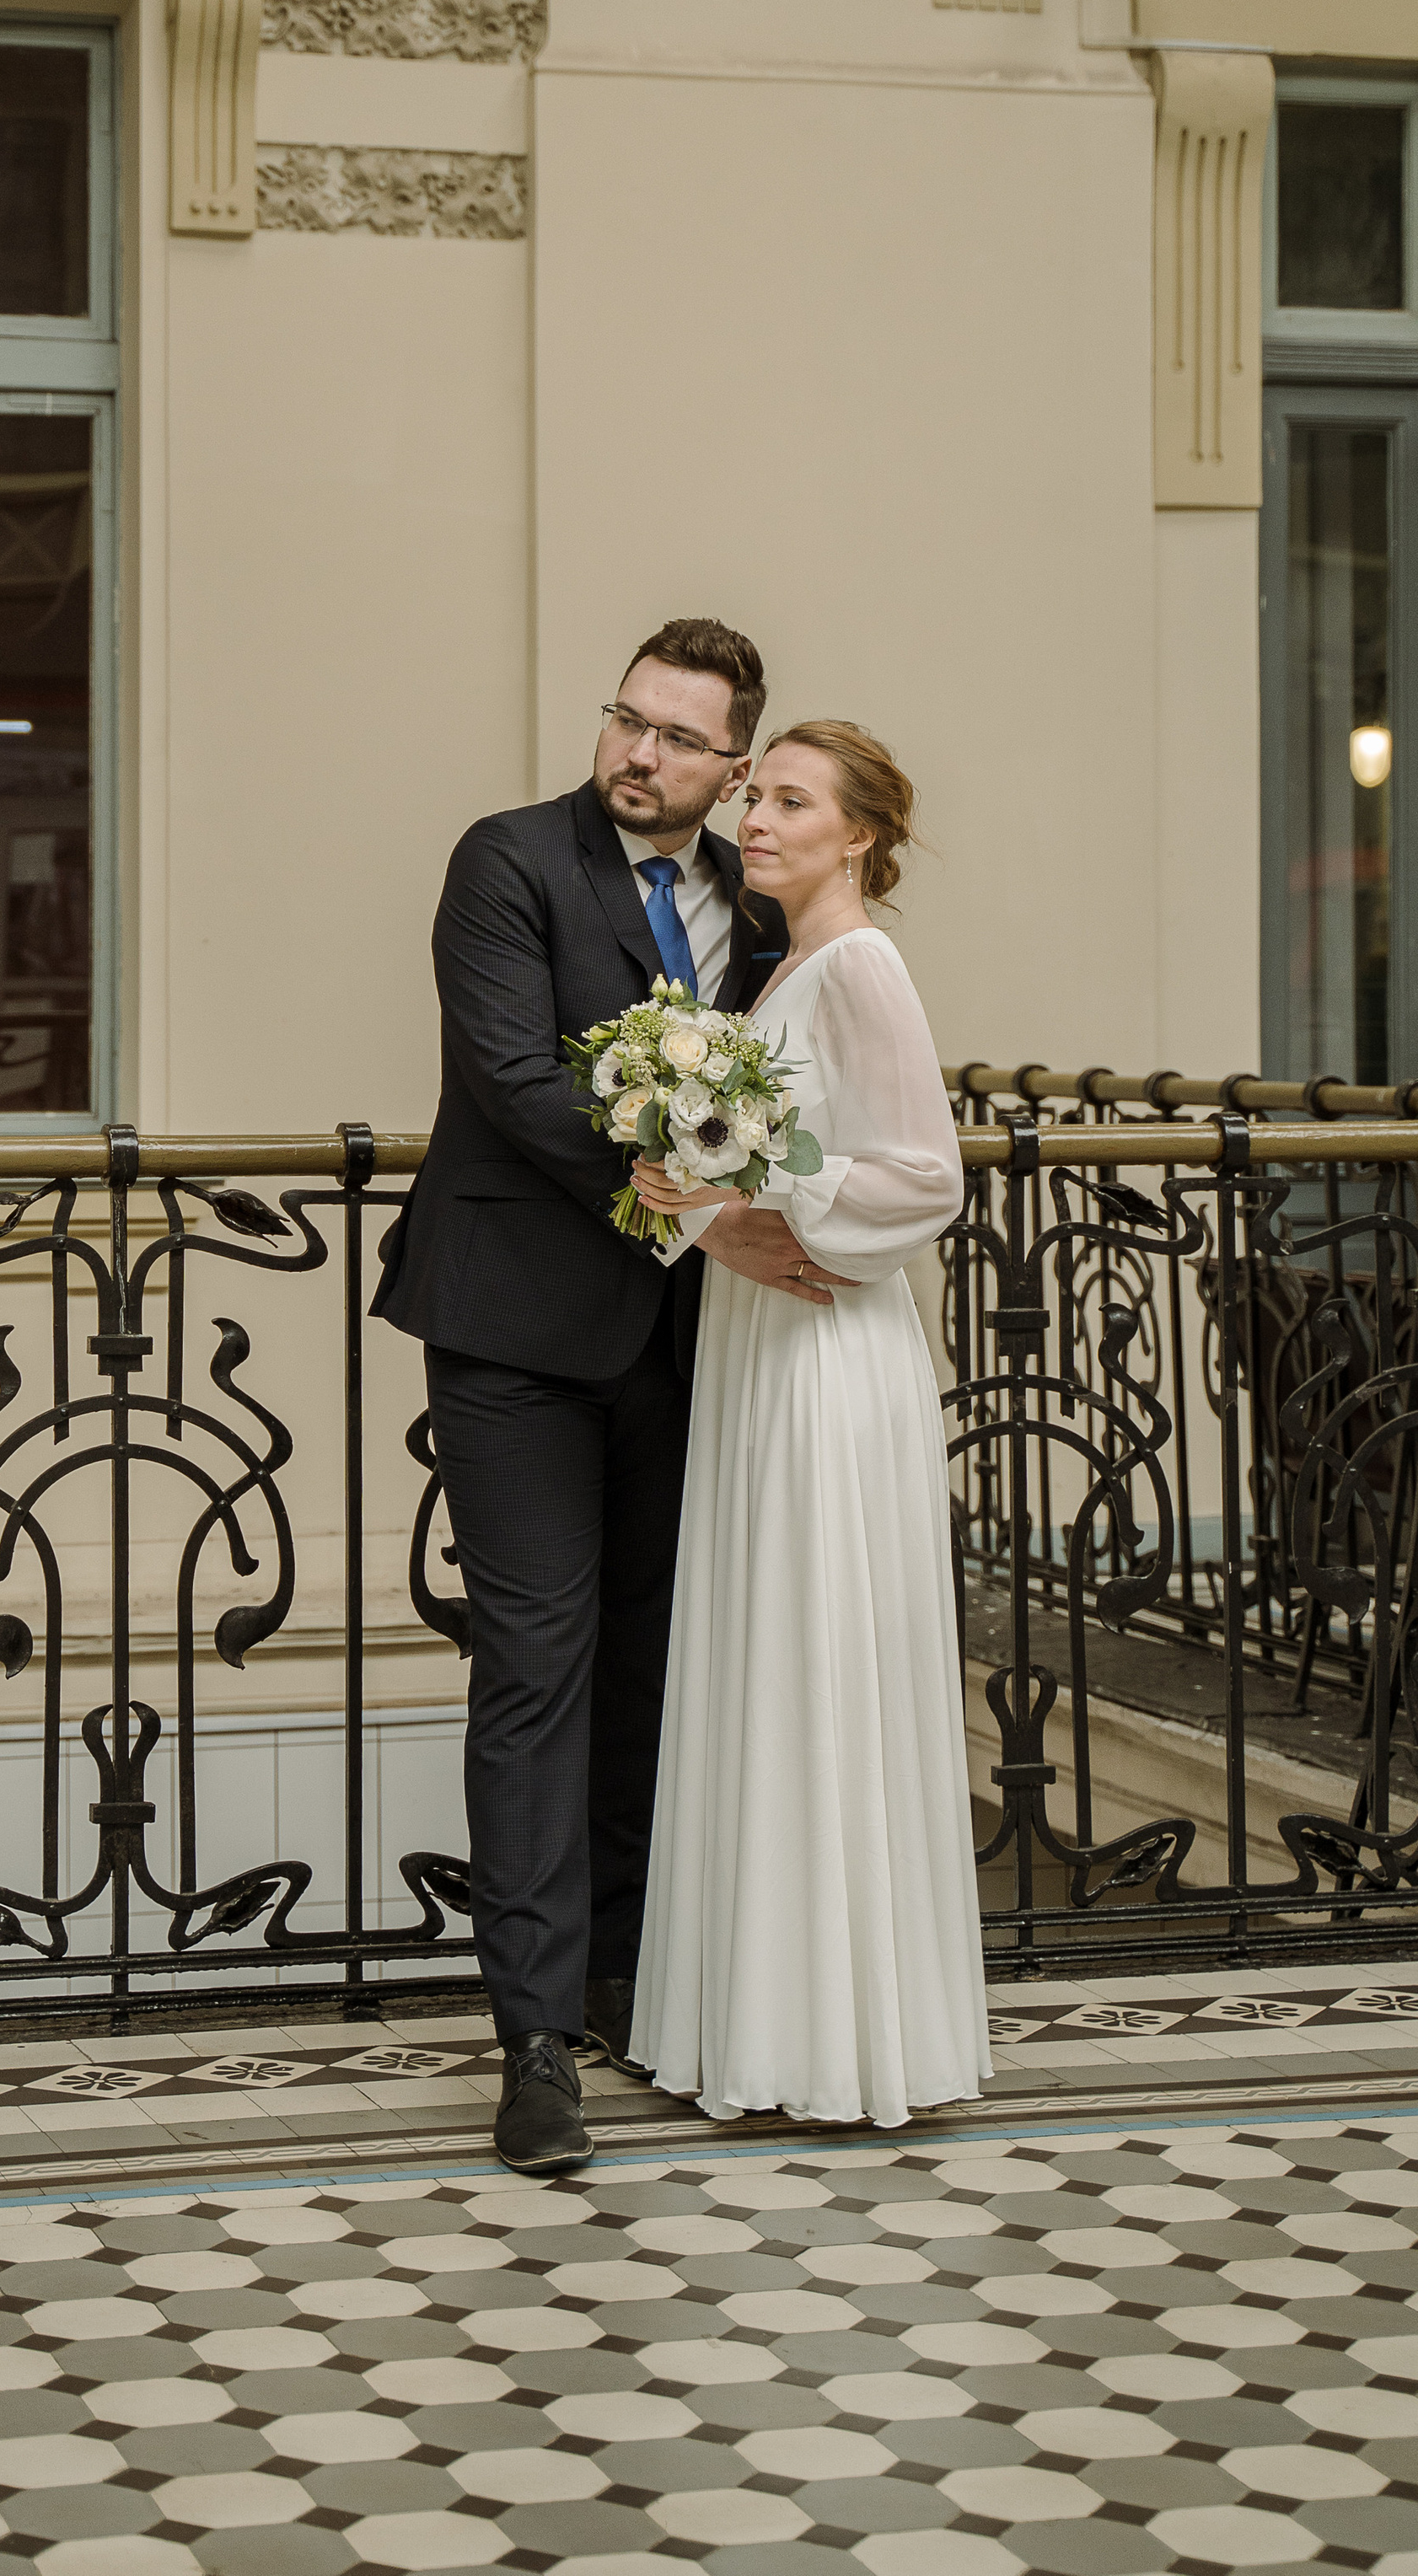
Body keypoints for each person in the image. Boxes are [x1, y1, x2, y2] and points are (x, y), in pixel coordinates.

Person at [374, 619, 820, 2174]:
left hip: (689, 1340)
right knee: (540, 1665)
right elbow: (516, 1077)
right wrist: (710, 1204)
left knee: (654, 1660)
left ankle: (633, 1979)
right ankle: (534, 2040)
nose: (639, 754)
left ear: (733, 766)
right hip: (511, 1329)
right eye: (626, 720)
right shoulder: (508, 861)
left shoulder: (758, 908)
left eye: (678, 739)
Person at [626, 722, 989, 2127]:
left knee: (818, 1650)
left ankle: (838, 2040)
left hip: (829, 1349)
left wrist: (750, 1192)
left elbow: (923, 1175)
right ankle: (769, 2023)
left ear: (859, 835)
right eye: (754, 794)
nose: (755, 817)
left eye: (789, 801)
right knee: (767, 1652)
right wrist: (699, 1197)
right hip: (766, 1339)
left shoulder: (864, 964)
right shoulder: (782, 969)